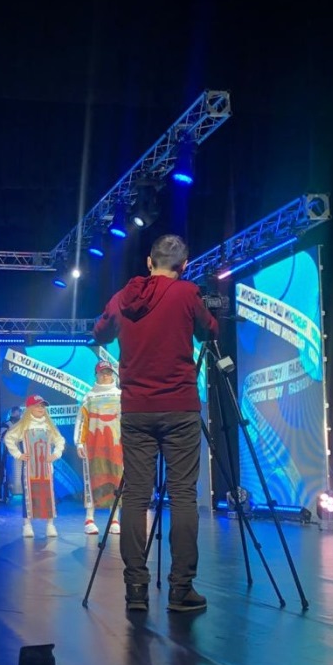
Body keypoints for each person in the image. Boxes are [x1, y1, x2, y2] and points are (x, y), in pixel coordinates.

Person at [93, 234, 218, 613]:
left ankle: (136, 590)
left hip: (136, 409)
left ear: (149, 262)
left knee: (135, 495)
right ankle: (181, 589)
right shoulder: (187, 294)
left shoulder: (122, 298)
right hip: (179, 408)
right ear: (185, 264)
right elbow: (210, 332)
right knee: (182, 495)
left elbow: (100, 333)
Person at [4, 394, 65, 538]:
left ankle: (50, 525)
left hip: (46, 470)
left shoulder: (49, 426)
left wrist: (56, 454)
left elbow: (60, 440)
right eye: (37, 406)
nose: (40, 408)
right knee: (29, 497)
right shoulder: (23, 426)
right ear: (30, 408)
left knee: (48, 496)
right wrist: (18, 455)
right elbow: (9, 438)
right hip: (29, 470)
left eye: (42, 406)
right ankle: (27, 525)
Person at [74, 360, 123, 535]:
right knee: (93, 479)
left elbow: (126, 420)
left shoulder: (120, 395)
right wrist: (79, 442)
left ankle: (114, 518)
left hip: (117, 444)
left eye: (108, 372)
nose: (105, 375)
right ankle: (89, 518)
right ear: (96, 375)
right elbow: (82, 420)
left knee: (116, 479)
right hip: (93, 445)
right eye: (102, 372)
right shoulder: (89, 397)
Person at [0, 405, 23, 501]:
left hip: (21, 453)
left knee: (22, 473)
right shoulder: (6, 424)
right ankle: (6, 495)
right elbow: (2, 438)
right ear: (13, 413)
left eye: (20, 412)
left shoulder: (23, 424)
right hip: (9, 454)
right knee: (7, 474)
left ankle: (24, 492)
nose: (19, 414)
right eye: (17, 412)